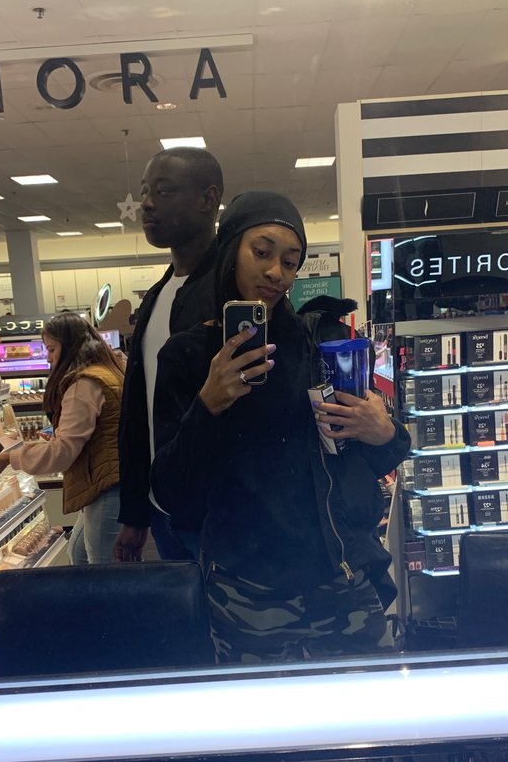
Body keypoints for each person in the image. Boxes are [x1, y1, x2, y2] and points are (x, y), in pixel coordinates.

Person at [151, 192, 411, 664]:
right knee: (260, 709)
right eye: (262, 252)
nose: (276, 272)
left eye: (290, 262)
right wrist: (207, 406)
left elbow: (372, 455)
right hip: (246, 590)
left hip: (341, 577)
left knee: (367, 704)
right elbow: (172, 491)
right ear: (231, 251)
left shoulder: (324, 343)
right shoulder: (188, 356)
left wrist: (387, 432)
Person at [113, 147, 223, 563]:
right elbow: (138, 410)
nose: (146, 203)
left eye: (163, 190)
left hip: (220, 516)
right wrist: (135, 512)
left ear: (208, 199)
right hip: (164, 511)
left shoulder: (230, 292)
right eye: (145, 191)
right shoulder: (158, 295)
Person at [0, 313, 124, 566]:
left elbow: (63, 452)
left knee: (103, 573)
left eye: (52, 349)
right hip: (108, 482)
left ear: (71, 346)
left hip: (106, 487)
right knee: (79, 554)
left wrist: (8, 459)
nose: (48, 357)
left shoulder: (84, 384)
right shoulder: (107, 371)